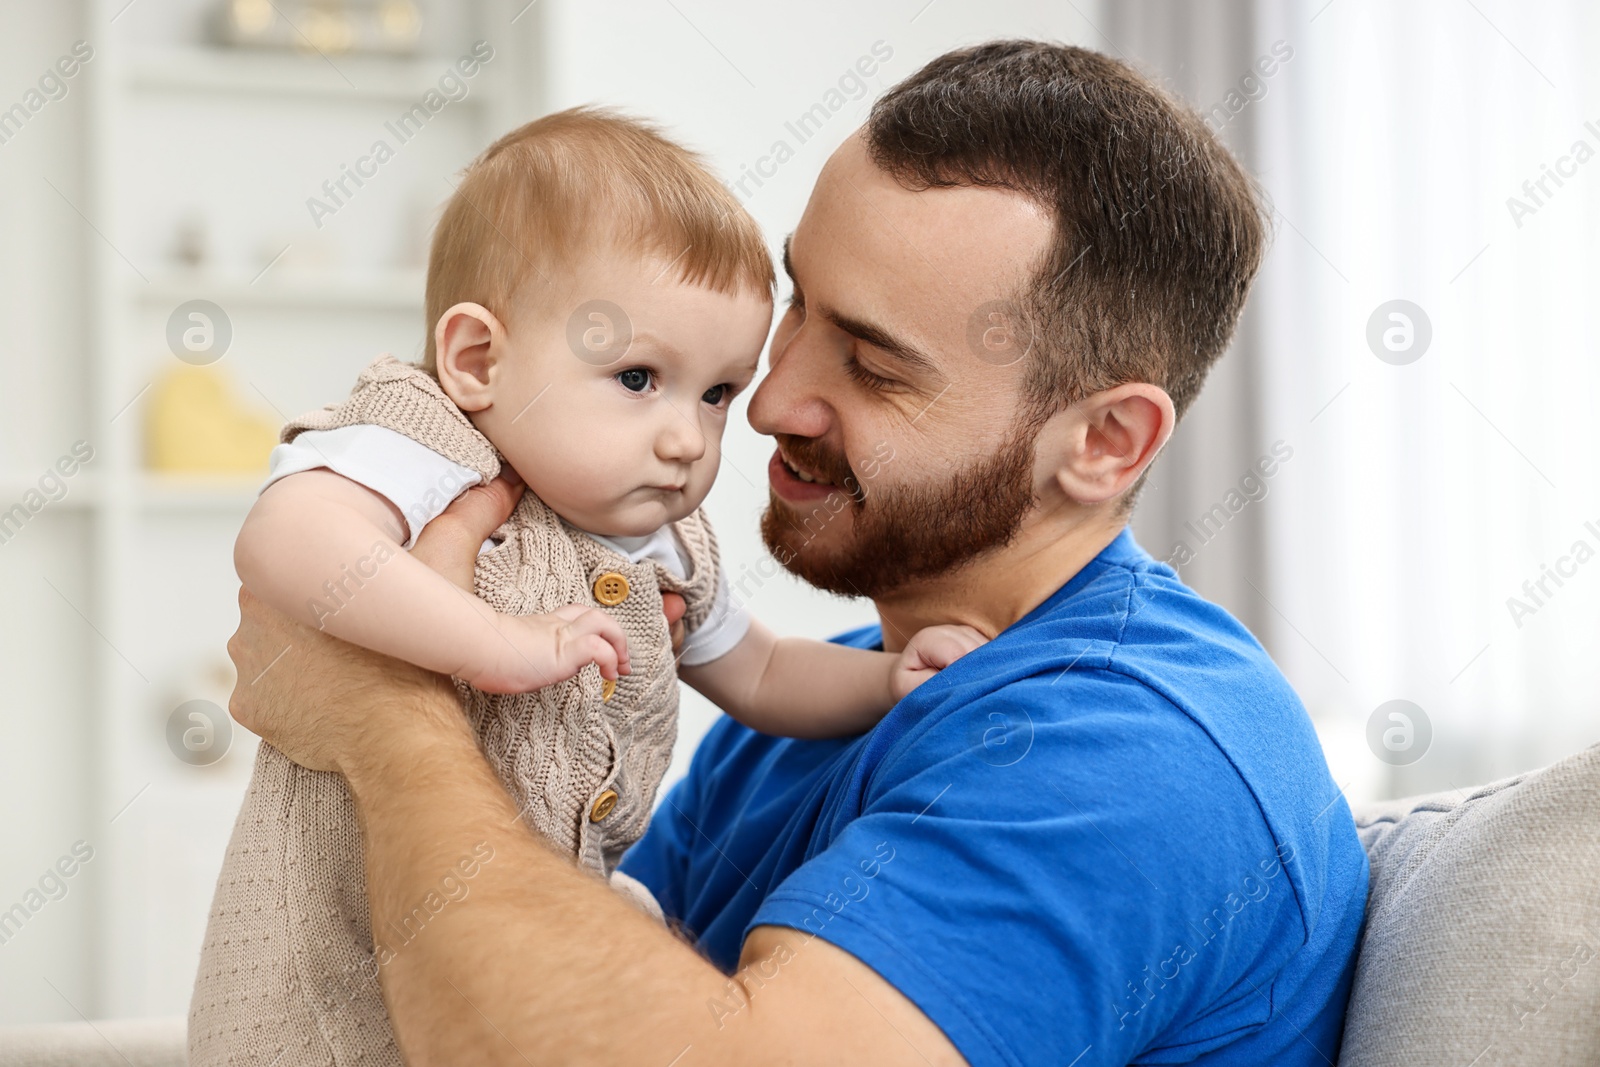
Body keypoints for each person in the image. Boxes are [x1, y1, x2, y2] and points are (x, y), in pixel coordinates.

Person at [225, 41, 1369, 1066]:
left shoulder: (1132, 753)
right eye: (798, 310)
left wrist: (381, 712)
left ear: (1103, 441)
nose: (766, 403)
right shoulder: (807, 717)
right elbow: (560, 938)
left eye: (872, 366)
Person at [189, 109, 981, 1067]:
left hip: (509, 958)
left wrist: (887, 680)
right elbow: (291, 538)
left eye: (717, 393)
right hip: (328, 966)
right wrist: (493, 644)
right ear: (479, 360)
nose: (689, 438)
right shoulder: (432, 438)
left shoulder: (662, 541)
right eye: (639, 376)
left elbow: (764, 674)